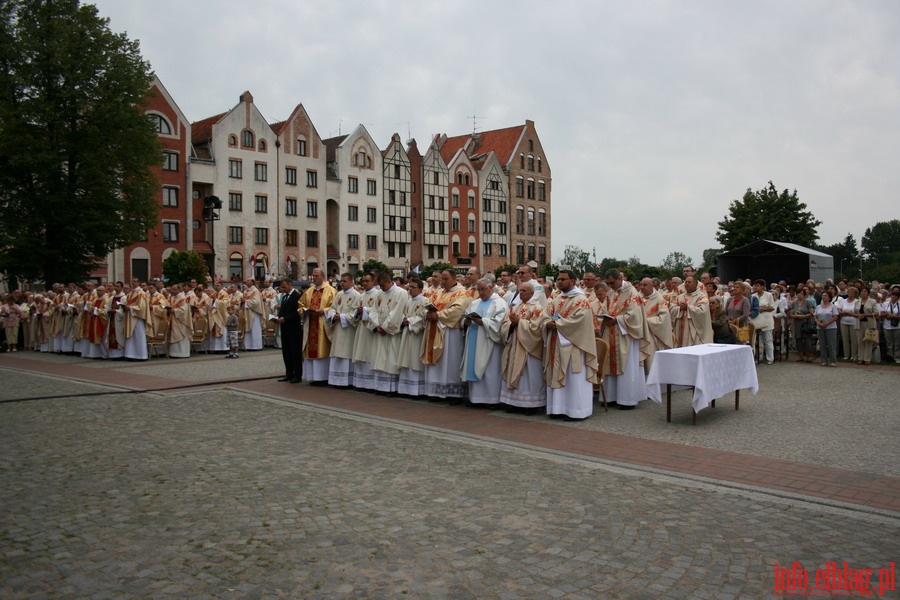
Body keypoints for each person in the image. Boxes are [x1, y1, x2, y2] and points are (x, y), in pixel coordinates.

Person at [543, 269, 599, 421]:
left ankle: (576, 410)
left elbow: (580, 321)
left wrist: (558, 324)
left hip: (574, 344)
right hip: (557, 342)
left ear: (572, 281)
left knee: (574, 378)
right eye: (558, 279)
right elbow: (546, 315)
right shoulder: (556, 299)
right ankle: (558, 408)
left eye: (563, 279)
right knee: (558, 373)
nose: (559, 281)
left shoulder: (580, 300)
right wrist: (547, 323)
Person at [596, 269, 646, 410]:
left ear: (619, 279)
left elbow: (634, 315)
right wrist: (604, 317)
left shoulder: (632, 293)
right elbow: (604, 308)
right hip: (611, 331)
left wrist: (616, 320)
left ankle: (627, 400)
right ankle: (611, 397)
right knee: (609, 363)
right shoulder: (611, 292)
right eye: (608, 283)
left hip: (626, 334)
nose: (610, 286)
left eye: (612, 282)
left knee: (626, 366)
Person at [421, 269, 470, 401]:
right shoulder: (438, 292)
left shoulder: (462, 293)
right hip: (433, 328)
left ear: (454, 278)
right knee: (437, 364)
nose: (442, 281)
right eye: (442, 279)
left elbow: (457, 311)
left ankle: (452, 393)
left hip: (450, 333)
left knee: (450, 361)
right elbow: (426, 305)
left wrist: (438, 315)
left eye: (445, 279)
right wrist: (427, 313)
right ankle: (434, 392)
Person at [500, 282, 547, 413]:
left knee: (528, 375)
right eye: (520, 291)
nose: (521, 293)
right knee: (512, 370)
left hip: (528, 348)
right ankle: (513, 402)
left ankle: (530, 405)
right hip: (514, 344)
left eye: (524, 291)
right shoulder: (515, 307)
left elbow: (537, 328)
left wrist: (519, 323)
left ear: (532, 293)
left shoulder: (537, 308)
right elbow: (505, 324)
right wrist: (511, 325)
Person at [460, 278, 508, 408]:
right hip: (473, 339)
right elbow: (464, 318)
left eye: (483, 289)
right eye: (479, 290)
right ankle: (475, 398)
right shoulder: (474, 303)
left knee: (490, 370)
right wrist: (467, 321)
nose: (481, 292)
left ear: (491, 287)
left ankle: (491, 400)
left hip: (489, 341)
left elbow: (499, 323)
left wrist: (482, 321)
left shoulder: (500, 303)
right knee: (473, 366)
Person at [368, 271, 409, 393]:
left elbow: (397, 312)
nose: (381, 288)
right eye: (379, 285)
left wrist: (385, 327)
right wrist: (377, 325)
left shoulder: (401, 293)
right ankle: (380, 387)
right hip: (380, 330)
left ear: (389, 282)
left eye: (382, 285)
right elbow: (373, 310)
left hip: (391, 333)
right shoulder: (379, 293)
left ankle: (391, 388)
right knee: (379, 358)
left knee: (391, 358)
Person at [298, 268, 336, 384]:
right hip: (310, 324)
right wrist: (303, 311)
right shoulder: (309, 291)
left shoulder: (331, 291)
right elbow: (300, 304)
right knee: (311, 352)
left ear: (323, 277)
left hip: (323, 325)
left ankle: (323, 378)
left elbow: (334, 307)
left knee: (322, 351)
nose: (314, 278)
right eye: (313, 276)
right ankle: (313, 377)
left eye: (316, 276)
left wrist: (324, 311)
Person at [325, 273, 361, 387]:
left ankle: (347, 381)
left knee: (346, 353)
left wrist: (341, 317)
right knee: (337, 353)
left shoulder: (356, 295)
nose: (342, 283)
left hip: (348, 329)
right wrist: (333, 315)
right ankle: (336, 380)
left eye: (345, 281)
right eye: (341, 281)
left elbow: (355, 313)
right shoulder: (339, 294)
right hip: (338, 328)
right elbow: (332, 308)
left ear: (351, 282)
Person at [397, 276, 429, 396]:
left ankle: (417, 391)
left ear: (420, 289)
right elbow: (401, 314)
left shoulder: (425, 301)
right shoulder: (408, 301)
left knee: (415, 361)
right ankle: (406, 389)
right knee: (406, 360)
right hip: (407, 333)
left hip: (417, 336)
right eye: (409, 287)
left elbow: (424, 318)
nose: (410, 289)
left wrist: (410, 321)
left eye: (413, 287)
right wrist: (403, 319)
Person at [351, 272, 382, 390]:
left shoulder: (378, 294)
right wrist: (358, 312)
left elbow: (378, 311)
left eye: (367, 281)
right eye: (363, 281)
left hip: (370, 328)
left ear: (374, 282)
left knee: (369, 354)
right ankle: (361, 383)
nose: (364, 283)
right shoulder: (361, 295)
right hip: (361, 328)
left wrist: (365, 310)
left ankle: (370, 384)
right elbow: (354, 311)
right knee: (360, 354)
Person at [639, 276, 673, 374]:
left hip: (652, 334)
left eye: (645, 285)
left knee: (650, 361)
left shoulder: (659, 299)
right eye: (641, 285)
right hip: (638, 334)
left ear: (652, 286)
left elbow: (664, 318)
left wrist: (646, 321)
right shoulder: (637, 298)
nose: (642, 287)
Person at [671, 276, 713, 347]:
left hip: (693, 329)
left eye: (689, 282)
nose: (687, 284)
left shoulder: (702, 297)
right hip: (679, 329)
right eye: (686, 282)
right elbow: (671, 309)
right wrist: (679, 308)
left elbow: (703, 311)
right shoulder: (679, 297)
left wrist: (688, 307)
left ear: (696, 284)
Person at [275, 278, 301, 379]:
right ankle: (289, 373)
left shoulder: (297, 296)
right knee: (286, 352)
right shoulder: (284, 297)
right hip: (284, 328)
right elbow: (282, 311)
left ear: (290, 285)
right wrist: (277, 318)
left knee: (295, 352)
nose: (282, 289)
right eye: (281, 287)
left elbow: (298, 312)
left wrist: (285, 318)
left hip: (294, 328)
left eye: (284, 287)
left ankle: (297, 374)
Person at [749, 279, 776, 364]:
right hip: (756, 320)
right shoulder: (753, 296)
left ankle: (770, 358)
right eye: (755, 285)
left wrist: (763, 308)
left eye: (757, 285)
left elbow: (772, 307)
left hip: (766, 319)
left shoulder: (769, 295)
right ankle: (759, 357)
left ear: (762, 287)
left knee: (768, 340)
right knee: (758, 340)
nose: (755, 287)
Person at [788, 287, 817, 362]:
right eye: (798, 293)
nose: (799, 295)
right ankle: (800, 356)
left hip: (806, 322)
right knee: (798, 340)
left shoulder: (808, 302)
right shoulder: (794, 303)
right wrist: (796, 316)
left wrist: (804, 316)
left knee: (807, 340)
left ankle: (808, 356)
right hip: (797, 323)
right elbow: (790, 314)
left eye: (801, 293)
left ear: (804, 295)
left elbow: (811, 313)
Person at [123, 281, 149, 361]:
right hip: (130, 316)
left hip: (137, 318)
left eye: (135, 281)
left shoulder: (141, 293)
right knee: (131, 337)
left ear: (138, 283)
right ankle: (130, 354)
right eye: (132, 281)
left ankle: (141, 355)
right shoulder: (131, 293)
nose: (133, 283)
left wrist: (130, 308)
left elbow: (142, 307)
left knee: (139, 336)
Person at [167, 283, 193, 358]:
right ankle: (173, 353)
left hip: (181, 321)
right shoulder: (172, 298)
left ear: (179, 289)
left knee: (180, 335)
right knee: (173, 334)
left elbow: (184, 310)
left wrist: (174, 311)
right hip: (174, 319)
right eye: (172, 289)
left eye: (174, 289)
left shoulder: (183, 298)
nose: (172, 290)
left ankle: (182, 353)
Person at [814, 290, 839, 366]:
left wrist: (827, 323)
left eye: (825, 296)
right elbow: (815, 315)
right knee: (822, 344)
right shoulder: (818, 306)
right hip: (820, 327)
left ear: (829, 297)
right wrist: (818, 323)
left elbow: (835, 316)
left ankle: (833, 360)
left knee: (831, 344)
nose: (824, 297)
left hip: (830, 327)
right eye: (823, 295)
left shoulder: (833, 306)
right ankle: (823, 360)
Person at [836, 286, 861, 362]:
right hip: (844, 321)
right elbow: (839, 311)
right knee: (845, 339)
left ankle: (854, 355)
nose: (850, 293)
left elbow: (857, 312)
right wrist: (847, 312)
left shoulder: (857, 301)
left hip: (854, 322)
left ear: (855, 294)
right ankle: (846, 355)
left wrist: (848, 313)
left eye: (852, 292)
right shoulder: (843, 301)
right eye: (849, 292)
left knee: (854, 339)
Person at [856, 286, 879, 366]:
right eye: (862, 291)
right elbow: (854, 311)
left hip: (869, 323)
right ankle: (860, 358)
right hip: (859, 323)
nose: (863, 293)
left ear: (868, 293)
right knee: (860, 341)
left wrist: (865, 314)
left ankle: (867, 359)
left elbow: (876, 313)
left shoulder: (872, 301)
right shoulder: (857, 301)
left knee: (868, 340)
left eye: (865, 291)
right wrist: (857, 315)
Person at [242, 278, 266, 351]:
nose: (246, 281)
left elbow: (256, 302)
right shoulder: (246, 291)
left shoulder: (255, 291)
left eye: (248, 280)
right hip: (247, 312)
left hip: (254, 313)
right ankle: (248, 346)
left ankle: (256, 346)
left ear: (252, 282)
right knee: (248, 329)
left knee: (254, 328)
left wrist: (245, 302)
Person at [881, 286, 900, 363]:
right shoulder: (885, 303)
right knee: (889, 343)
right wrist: (886, 314)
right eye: (892, 296)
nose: (893, 297)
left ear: (898, 298)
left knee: (897, 343)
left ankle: (897, 357)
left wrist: (894, 316)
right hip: (887, 325)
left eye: (895, 296)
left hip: (897, 326)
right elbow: (881, 314)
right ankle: (889, 356)